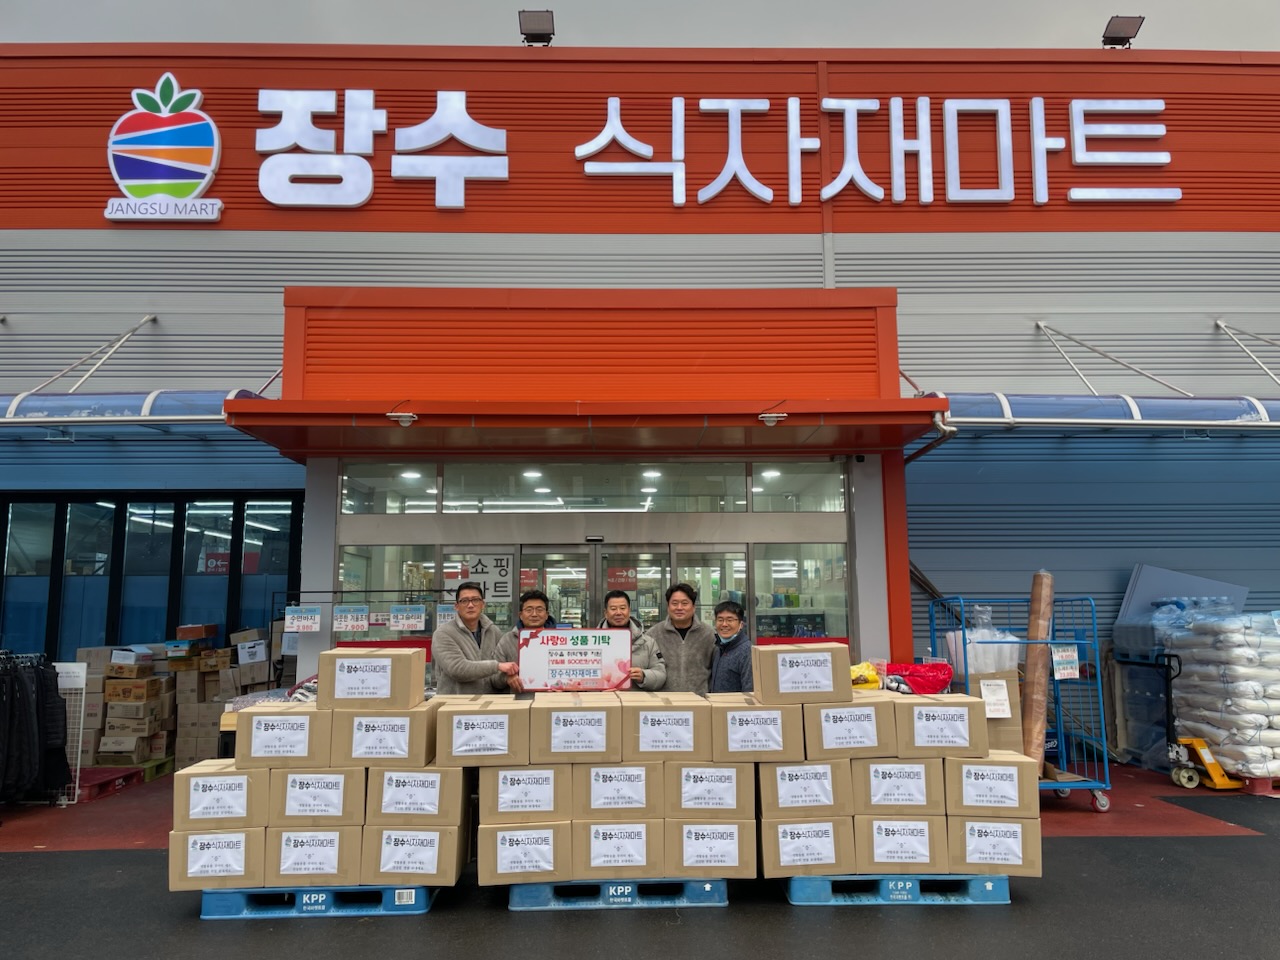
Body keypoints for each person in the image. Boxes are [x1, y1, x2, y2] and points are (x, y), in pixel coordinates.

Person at [430, 581, 519, 695]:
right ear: (456, 606)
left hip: (489, 702)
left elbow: (498, 674)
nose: (470, 605)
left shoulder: (493, 631)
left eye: (475, 600)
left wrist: (507, 677)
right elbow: (457, 669)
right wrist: (497, 666)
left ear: (483, 604)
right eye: (464, 601)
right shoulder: (443, 633)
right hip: (455, 702)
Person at [642, 582, 714, 695]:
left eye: (685, 603)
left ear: (693, 607)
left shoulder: (708, 634)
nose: (679, 608)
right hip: (664, 701)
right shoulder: (653, 634)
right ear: (668, 607)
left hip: (699, 700)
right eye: (674, 603)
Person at [598, 589, 666, 690]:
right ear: (606, 613)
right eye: (613, 609)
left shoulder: (647, 642)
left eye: (622, 608)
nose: (618, 612)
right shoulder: (592, 642)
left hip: (636, 699)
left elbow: (661, 675)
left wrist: (644, 676)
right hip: (602, 699)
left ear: (629, 610)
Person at [495, 589, 555, 693]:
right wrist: (507, 678)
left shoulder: (559, 640)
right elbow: (493, 678)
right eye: (529, 610)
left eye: (539, 610)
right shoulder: (507, 640)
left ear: (546, 615)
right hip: (518, 699)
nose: (534, 614)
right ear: (521, 615)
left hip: (551, 698)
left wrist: (564, 687)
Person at [709, 599, 753, 693]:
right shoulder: (719, 647)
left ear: (741, 624)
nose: (724, 624)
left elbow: (750, 690)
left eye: (730, 620)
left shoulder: (747, 651)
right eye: (720, 620)